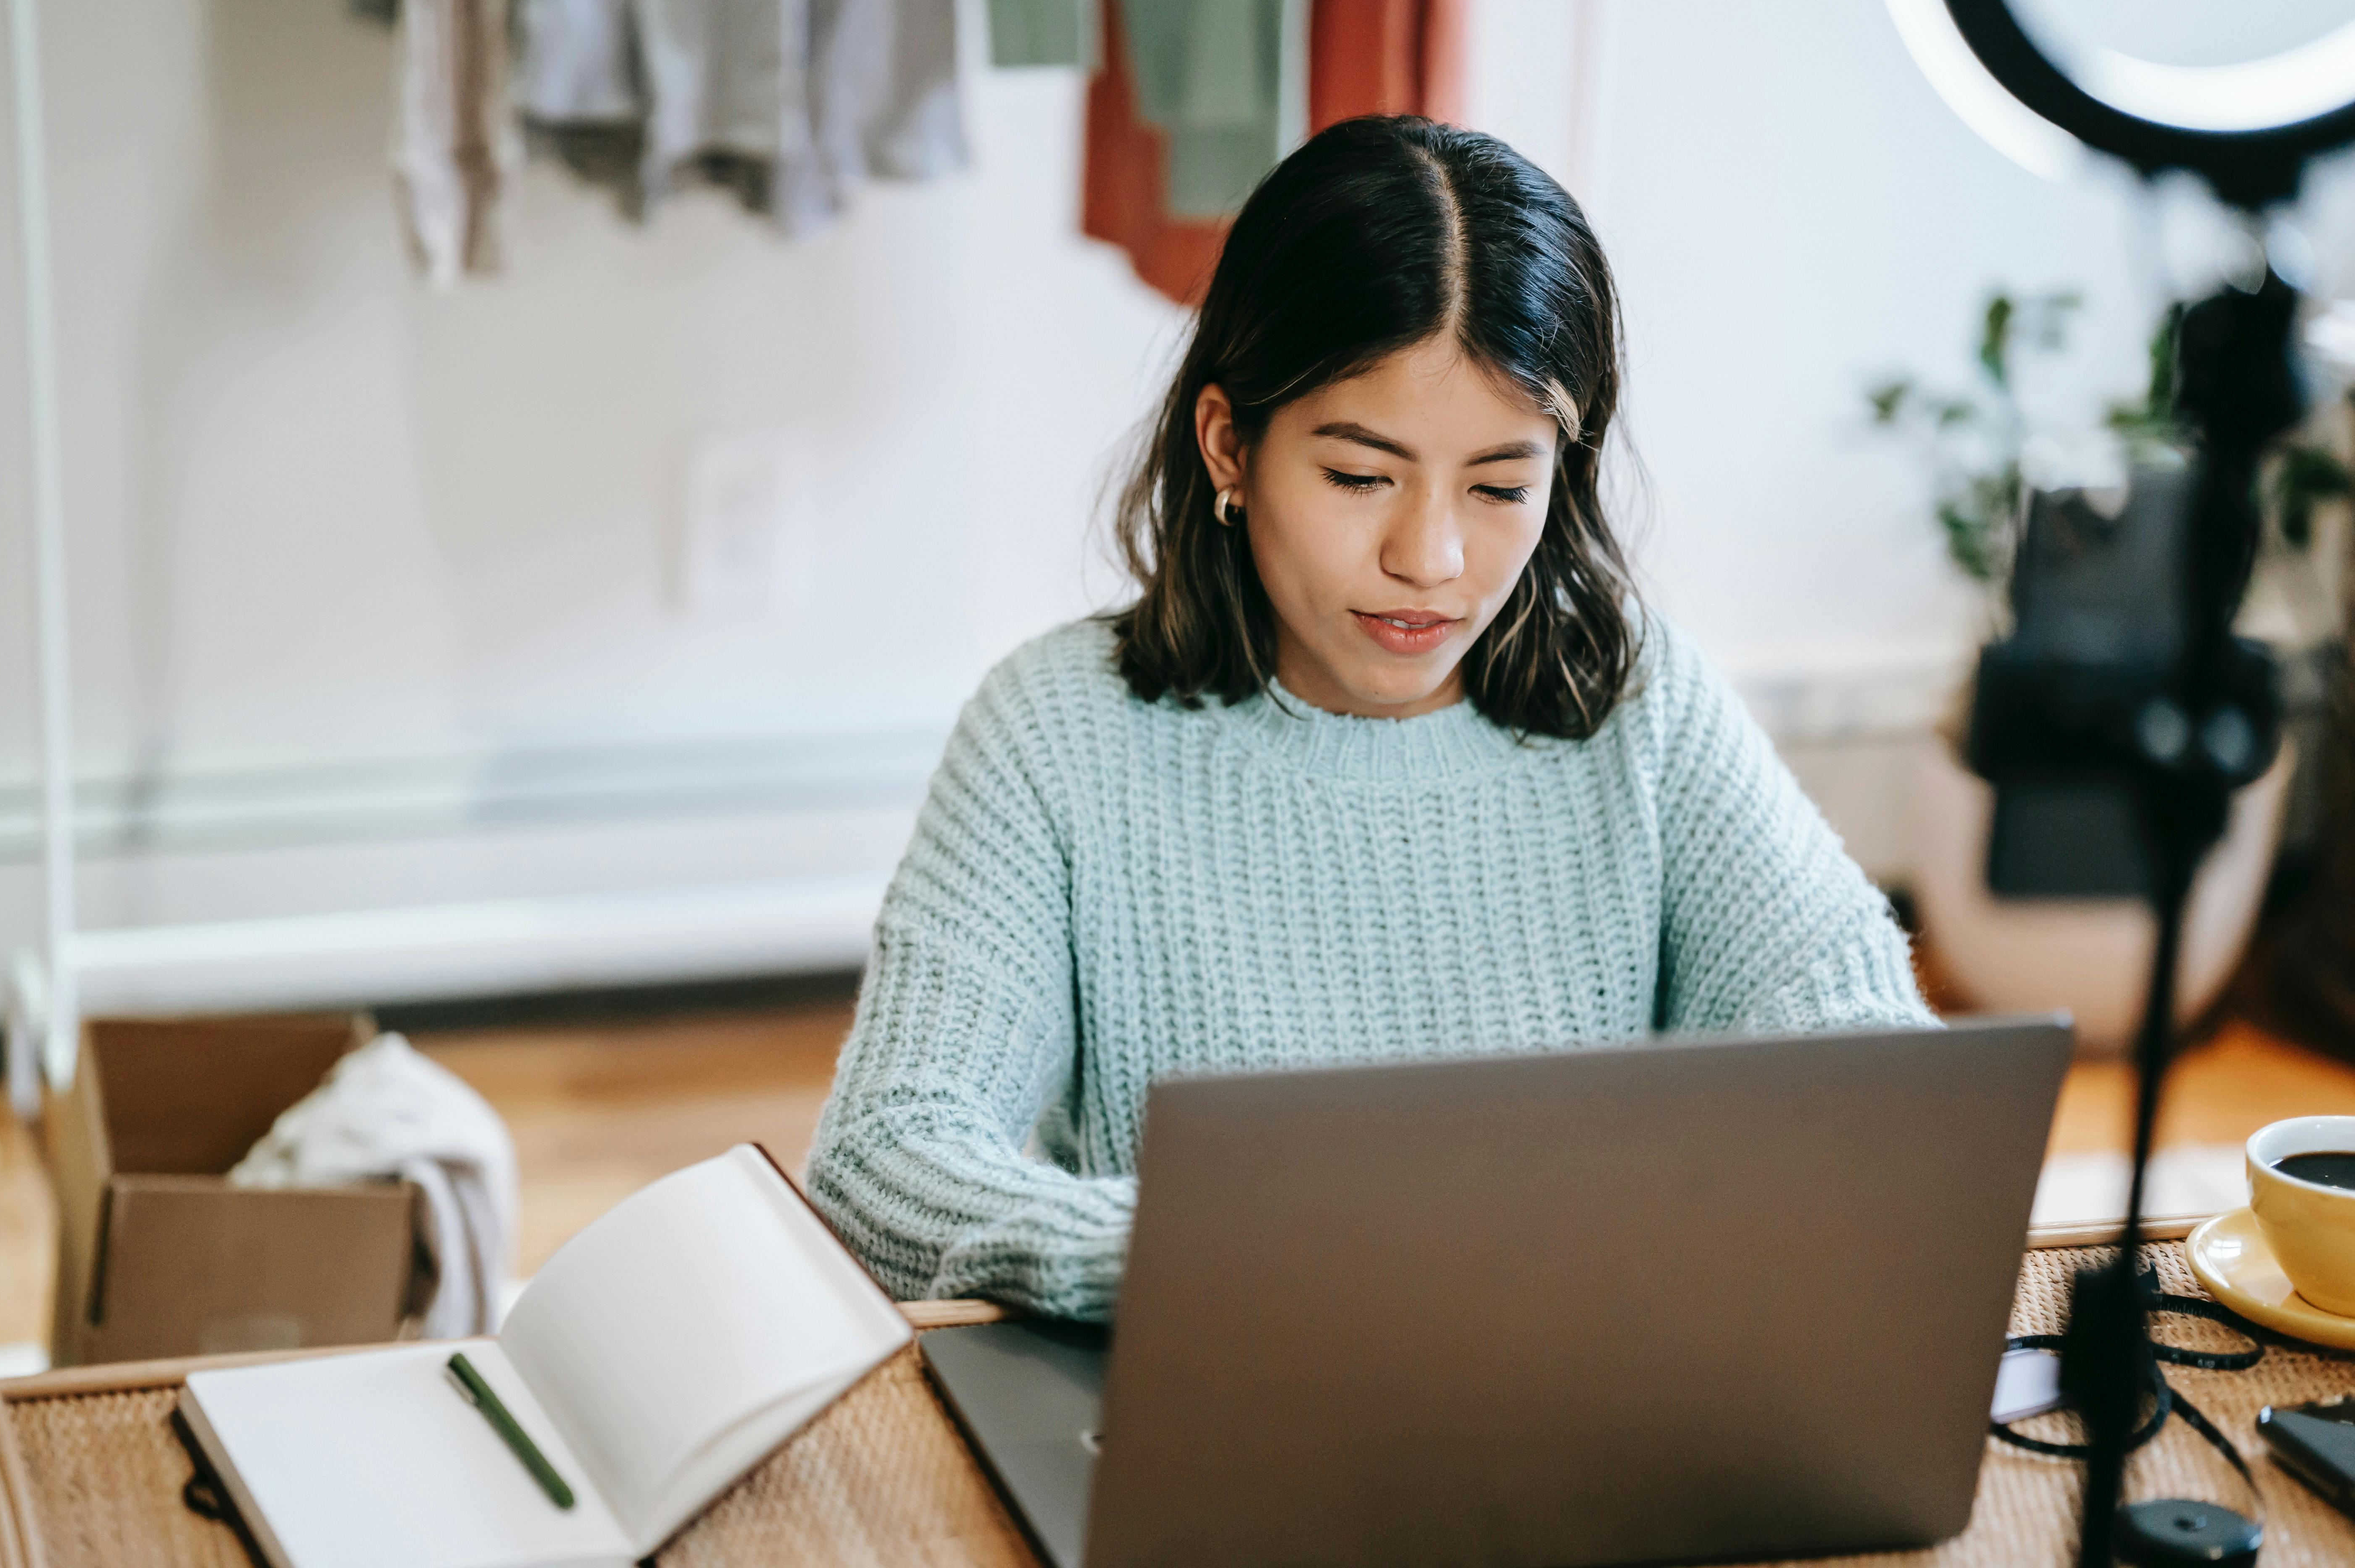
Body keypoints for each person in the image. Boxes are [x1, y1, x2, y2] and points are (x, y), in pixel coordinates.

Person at [806, 116, 1933, 1321]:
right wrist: (1227, 1257)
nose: (1432, 557)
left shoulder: (1637, 701)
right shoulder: (1056, 734)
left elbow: (1876, 1074)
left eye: (1503, 487)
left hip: (1583, 1389)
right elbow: (886, 1157)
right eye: (1359, 477)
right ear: (1230, 445)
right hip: (1223, 1389)